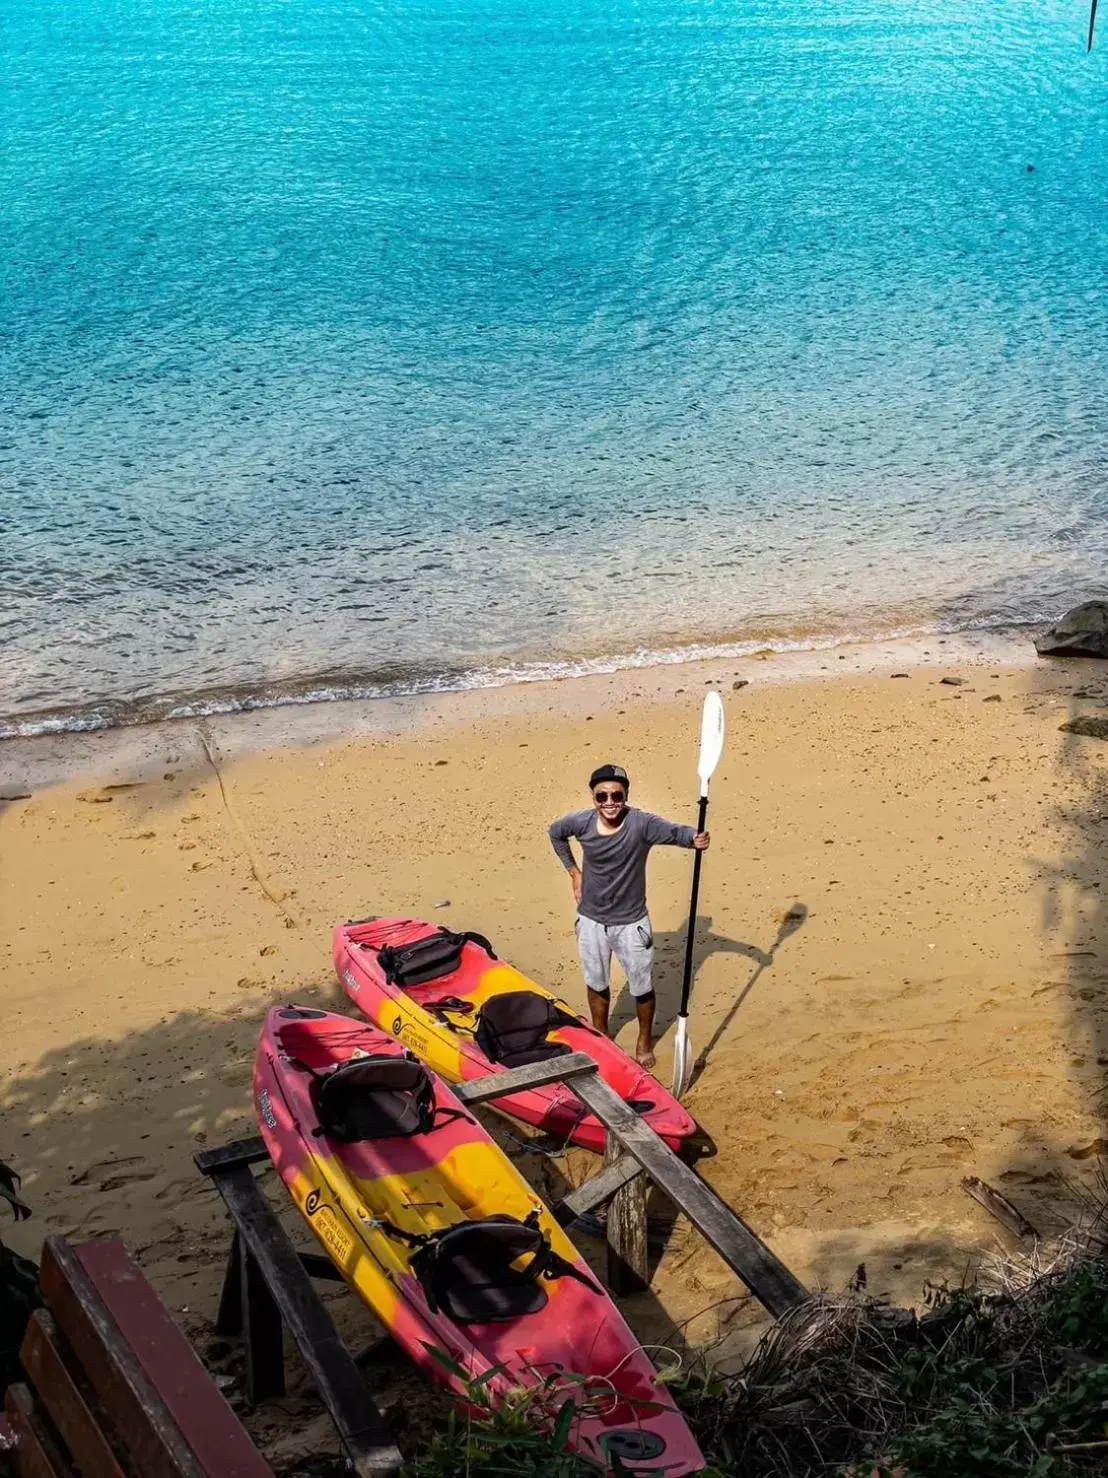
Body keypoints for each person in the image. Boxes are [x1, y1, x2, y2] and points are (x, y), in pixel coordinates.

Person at [548, 764, 710, 1069]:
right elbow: (555, 833)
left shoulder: (641, 824)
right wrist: (574, 873)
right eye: (602, 796)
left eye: (616, 795)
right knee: (596, 982)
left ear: (626, 795)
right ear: (593, 797)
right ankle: (601, 1035)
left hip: (632, 923)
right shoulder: (580, 822)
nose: (609, 802)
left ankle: (644, 1041)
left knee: (641, 985)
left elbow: (675, 832)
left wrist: (694, 838)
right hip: (591, 920)